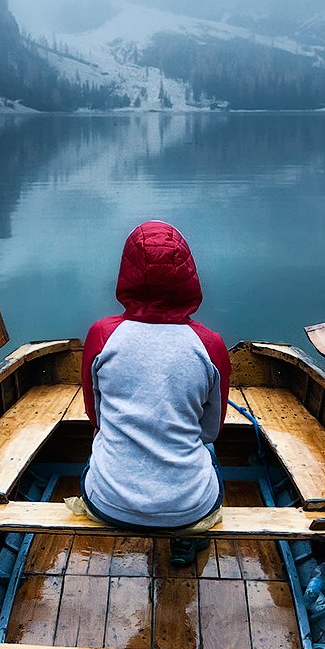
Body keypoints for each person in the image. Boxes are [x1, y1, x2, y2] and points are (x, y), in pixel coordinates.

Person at [77, 220, 231, 567]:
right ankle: (185, 541)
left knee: (99, 449)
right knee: (208, 451)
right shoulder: (210, 345)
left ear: (127, 270)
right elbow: (210, 432)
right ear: (188, 273)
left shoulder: (102, 335)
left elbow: (97, 419)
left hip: (109, 501)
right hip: (190, 505)